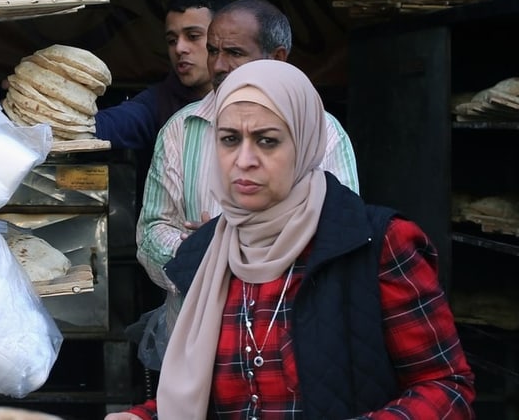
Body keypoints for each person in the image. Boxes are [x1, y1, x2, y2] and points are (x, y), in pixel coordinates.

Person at [134, 60, 475, 418]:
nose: (244, 160)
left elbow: (446, 387)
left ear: (305, 143)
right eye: (229, 139)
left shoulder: (376, 244)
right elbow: (196, 395)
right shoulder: (207, 254)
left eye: (267, 141)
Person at [136, 0, 359, 291]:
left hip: (285, 323)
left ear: (277, 58)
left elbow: (343, 233)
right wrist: (197, 253)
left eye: (234, 53)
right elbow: (151, 232)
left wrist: (235, 246)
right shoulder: (180, 129)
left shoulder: (324, 131)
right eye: (213, 51)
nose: (218, 65)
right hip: (197, 326)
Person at [93, 0, 230, 150]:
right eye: (172, 40)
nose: (179, 48)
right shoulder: (158, 102)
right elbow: (107, 125)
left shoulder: (251, 95)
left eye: (193, 36)